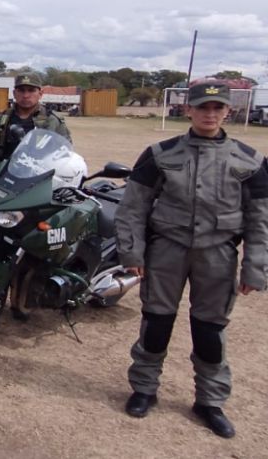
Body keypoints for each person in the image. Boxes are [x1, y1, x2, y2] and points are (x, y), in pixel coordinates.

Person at [115, 82, 268, 438]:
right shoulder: (160, 154)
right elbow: (133, 208)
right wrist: (132, 252)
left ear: (228, 111)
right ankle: (144, 389)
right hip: (166, 251)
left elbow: (261, 221)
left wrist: (255, 267)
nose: (209, 114)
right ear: (188, 110)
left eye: (217, 108)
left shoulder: (251, 161)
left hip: (218, 255)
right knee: (156, 323)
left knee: (209, 330)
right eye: (202, 107)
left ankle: (210, 401)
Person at [0, 73, 71, 165]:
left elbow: (65, 153)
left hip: (40, 171)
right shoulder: (1, 119)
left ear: (40, 94)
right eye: (21, 90)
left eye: (31, 90)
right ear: (14, 93)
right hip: (4, 170)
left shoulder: (52, 120)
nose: (26, 95)